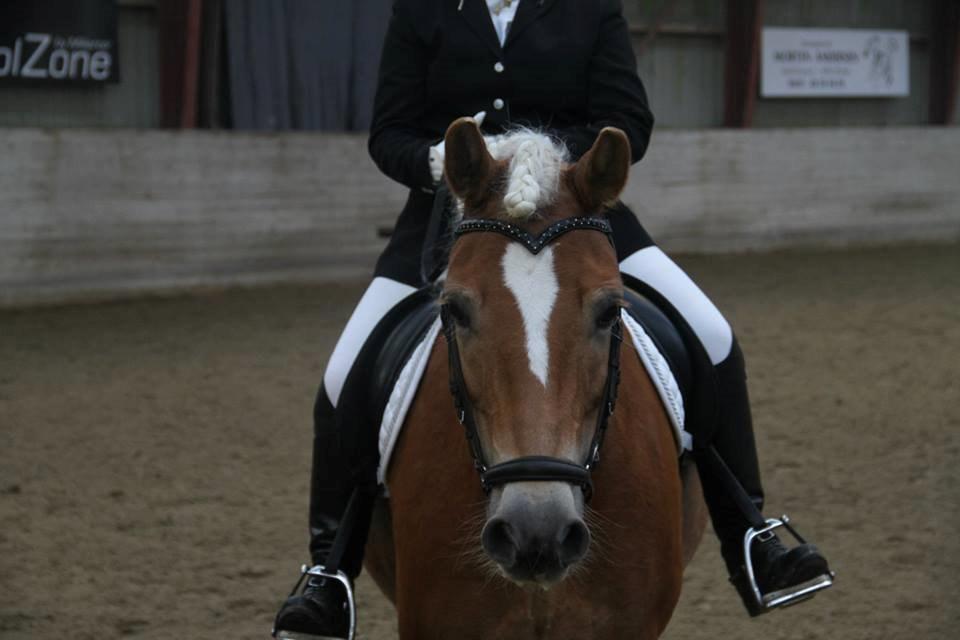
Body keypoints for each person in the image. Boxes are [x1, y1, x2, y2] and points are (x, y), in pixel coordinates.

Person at [274, 1, 832, 637]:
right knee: (343, 374)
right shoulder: (421, 9)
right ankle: (329, 574)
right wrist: (436, 164)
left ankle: (752, 537)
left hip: (578, 212)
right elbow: (389, 131)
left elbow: (629, 120)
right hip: (455, 217)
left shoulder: (591, 6)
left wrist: (552, 164)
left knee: (714, 337)